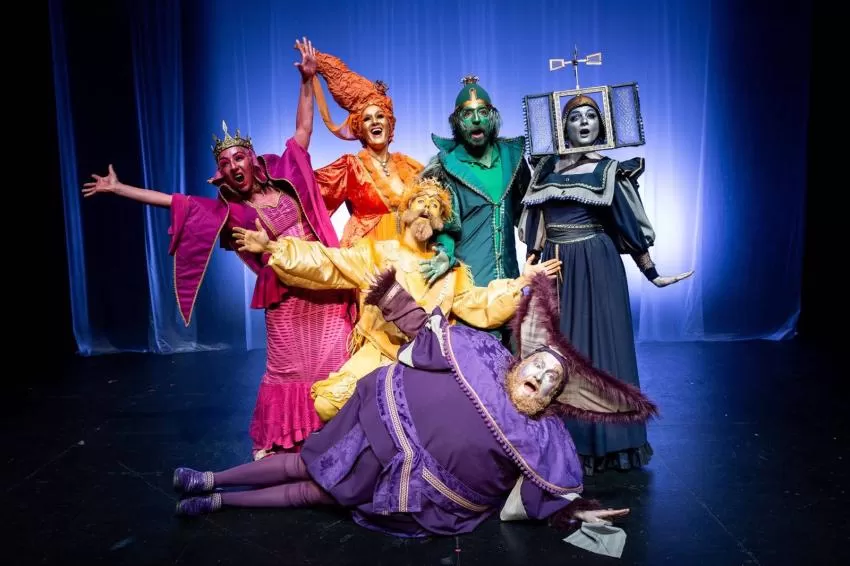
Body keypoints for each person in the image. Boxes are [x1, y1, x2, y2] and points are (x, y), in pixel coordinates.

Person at [171, 271, 658, 542]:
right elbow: (428, 334)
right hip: (376, 424)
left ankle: (217, 502)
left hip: (413, 485)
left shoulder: (543, 435)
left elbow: (544, 491)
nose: (542, 378)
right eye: (540, 367)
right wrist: (392, 295)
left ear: (554, 398)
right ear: (523, 360)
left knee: (313, 493)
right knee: (303, 462)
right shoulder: (486, 354)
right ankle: (210, 478)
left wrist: (575, 514)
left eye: (552, 381)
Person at [81, 39, 354, 460]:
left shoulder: (286, 174)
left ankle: (338, 435)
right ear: (222, 175)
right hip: (285, 296)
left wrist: (307, 80)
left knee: (333, 361)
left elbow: (302, 130)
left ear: (252, 160)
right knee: (288, 368)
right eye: (225, 165)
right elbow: (174, 202)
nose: (233, 167)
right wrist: (120, 189)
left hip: (322, 285)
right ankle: (284, 438)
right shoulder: (230, 212)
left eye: (238, 159)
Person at [232, 178, 561, 422]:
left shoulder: (451, 271)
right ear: (404, 213)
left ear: (440, 223)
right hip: (379, 352)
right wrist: (274, 247)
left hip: (426, 362)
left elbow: (479, 305)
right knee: (328, 403)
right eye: (421, 201)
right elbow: (327, 262)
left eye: (435, 206)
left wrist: (522, 283)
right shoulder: (377, 253)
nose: (428, 208)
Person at [519, 93, 693, 474]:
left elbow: (628, 226)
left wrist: (652, 272)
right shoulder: (545, 169)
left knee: (599, 349)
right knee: (556, 351)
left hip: (596, 268)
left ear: (602, 125)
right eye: (575, 117)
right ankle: (564, 440)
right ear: (563, 126)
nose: (583, 123)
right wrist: (529, 270)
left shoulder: (609, 171)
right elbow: (537, 225)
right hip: (556, 267)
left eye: (590, 116)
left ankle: (609, 445)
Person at [311, 49, 455, 281]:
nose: (374, 122)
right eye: (367, 119)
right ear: (360, 129)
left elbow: (438, 213)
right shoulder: (350, 167)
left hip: (410, 261)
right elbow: (310, 196)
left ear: (389, 124)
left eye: (380, 116)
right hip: (369, 263)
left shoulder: (412, 167)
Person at [419, 76, 531, 343]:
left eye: (482, 112)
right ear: (457, 122)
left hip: (510, 278)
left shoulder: (512, 158)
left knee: (515, 349)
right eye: (468, 114)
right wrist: (444, 253)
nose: (477, 120)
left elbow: (529, 212)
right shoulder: (448, 166)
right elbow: (446, 224)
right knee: (478, 352)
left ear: (492, 117)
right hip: (472, 284)